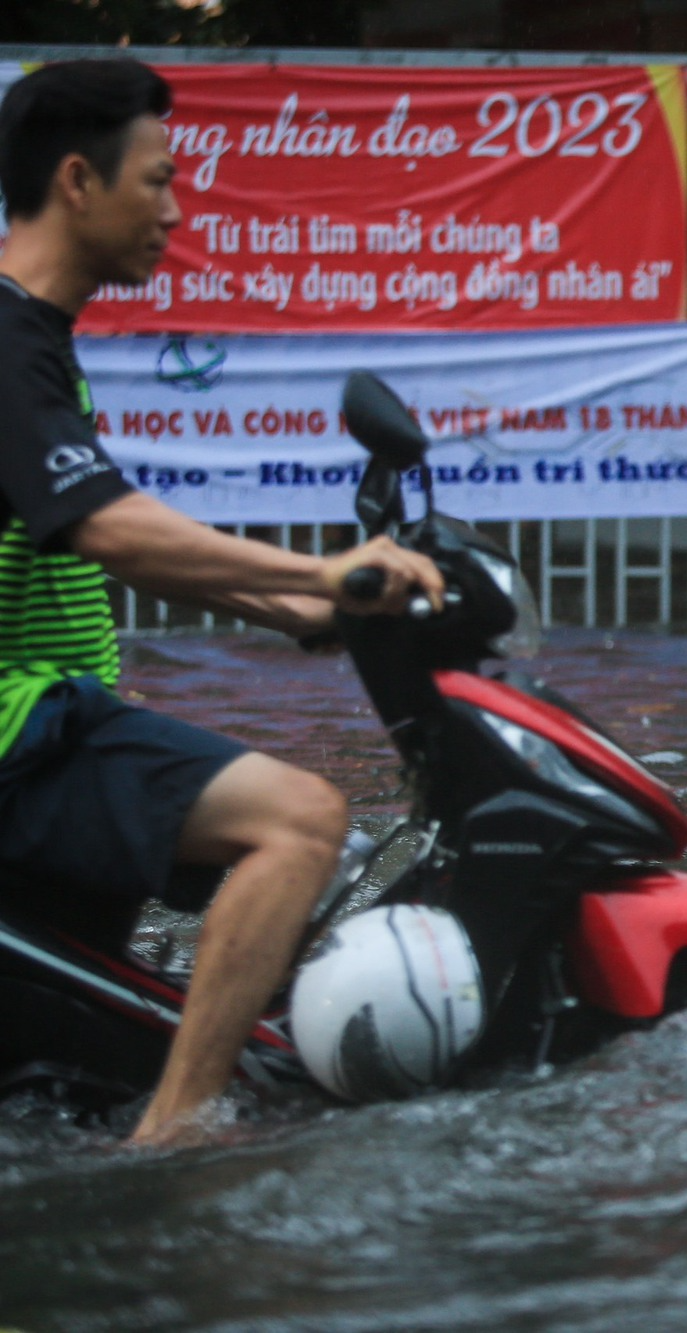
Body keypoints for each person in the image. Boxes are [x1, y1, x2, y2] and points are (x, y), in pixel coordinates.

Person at [0, 60, 444, 1146]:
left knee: (78, 1035)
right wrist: (319, 572)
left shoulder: (38, 345)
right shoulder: (6, 342)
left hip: (52, 715)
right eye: (158, 180)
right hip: (21, 723)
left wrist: (294, 610)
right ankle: (180, 1130)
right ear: (76, 181)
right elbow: (110, 525)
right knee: (300, 822)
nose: (177, 208)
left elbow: (97, 543)